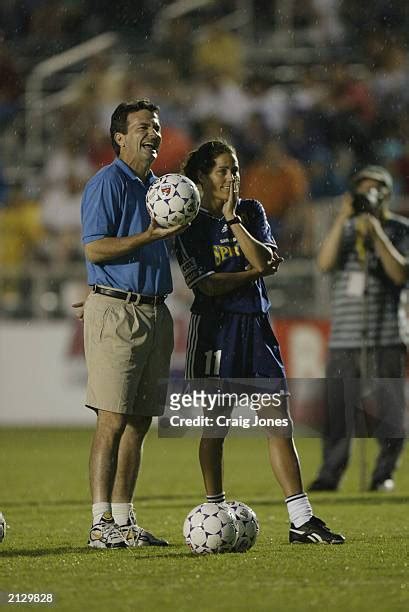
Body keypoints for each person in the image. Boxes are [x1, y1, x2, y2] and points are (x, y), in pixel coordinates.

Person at [175, 140, 345, 544]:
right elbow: (209, 286)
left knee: (278, 424)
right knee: (215, 427)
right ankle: (214, 508)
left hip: (256, 327)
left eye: (234, 168)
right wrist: (254, 272)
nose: (232, 176)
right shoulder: (188, 225)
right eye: (222, 170)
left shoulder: (250, 212)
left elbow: (266, 258)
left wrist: (235, 222)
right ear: (202, 176)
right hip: (215, 330)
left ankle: (301, 520)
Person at [80, 99, 183, 549]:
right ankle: (99, 523)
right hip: (118, 310)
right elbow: (94, 249)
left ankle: (124, 519)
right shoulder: (108, 183)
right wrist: (145, 238)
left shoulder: (161, 188)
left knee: (140, 421)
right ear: (120, 137)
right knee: (112, 419)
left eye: (156, 127)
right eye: (143, 126)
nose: (153, 134)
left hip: (156, 310)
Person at [309, 165, 409, 492]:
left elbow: (399, 274)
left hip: (387, 335)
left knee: (390, 411)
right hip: (344, 337)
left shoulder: (399, 228)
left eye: (376, 188)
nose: (369, 194)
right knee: (337, 413)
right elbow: (324, 263)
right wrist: (343, 218)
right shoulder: (345, 229)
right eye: (363, 189)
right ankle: (330, 473)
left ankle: (383, 474)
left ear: (387, 193)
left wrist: (377, 232)